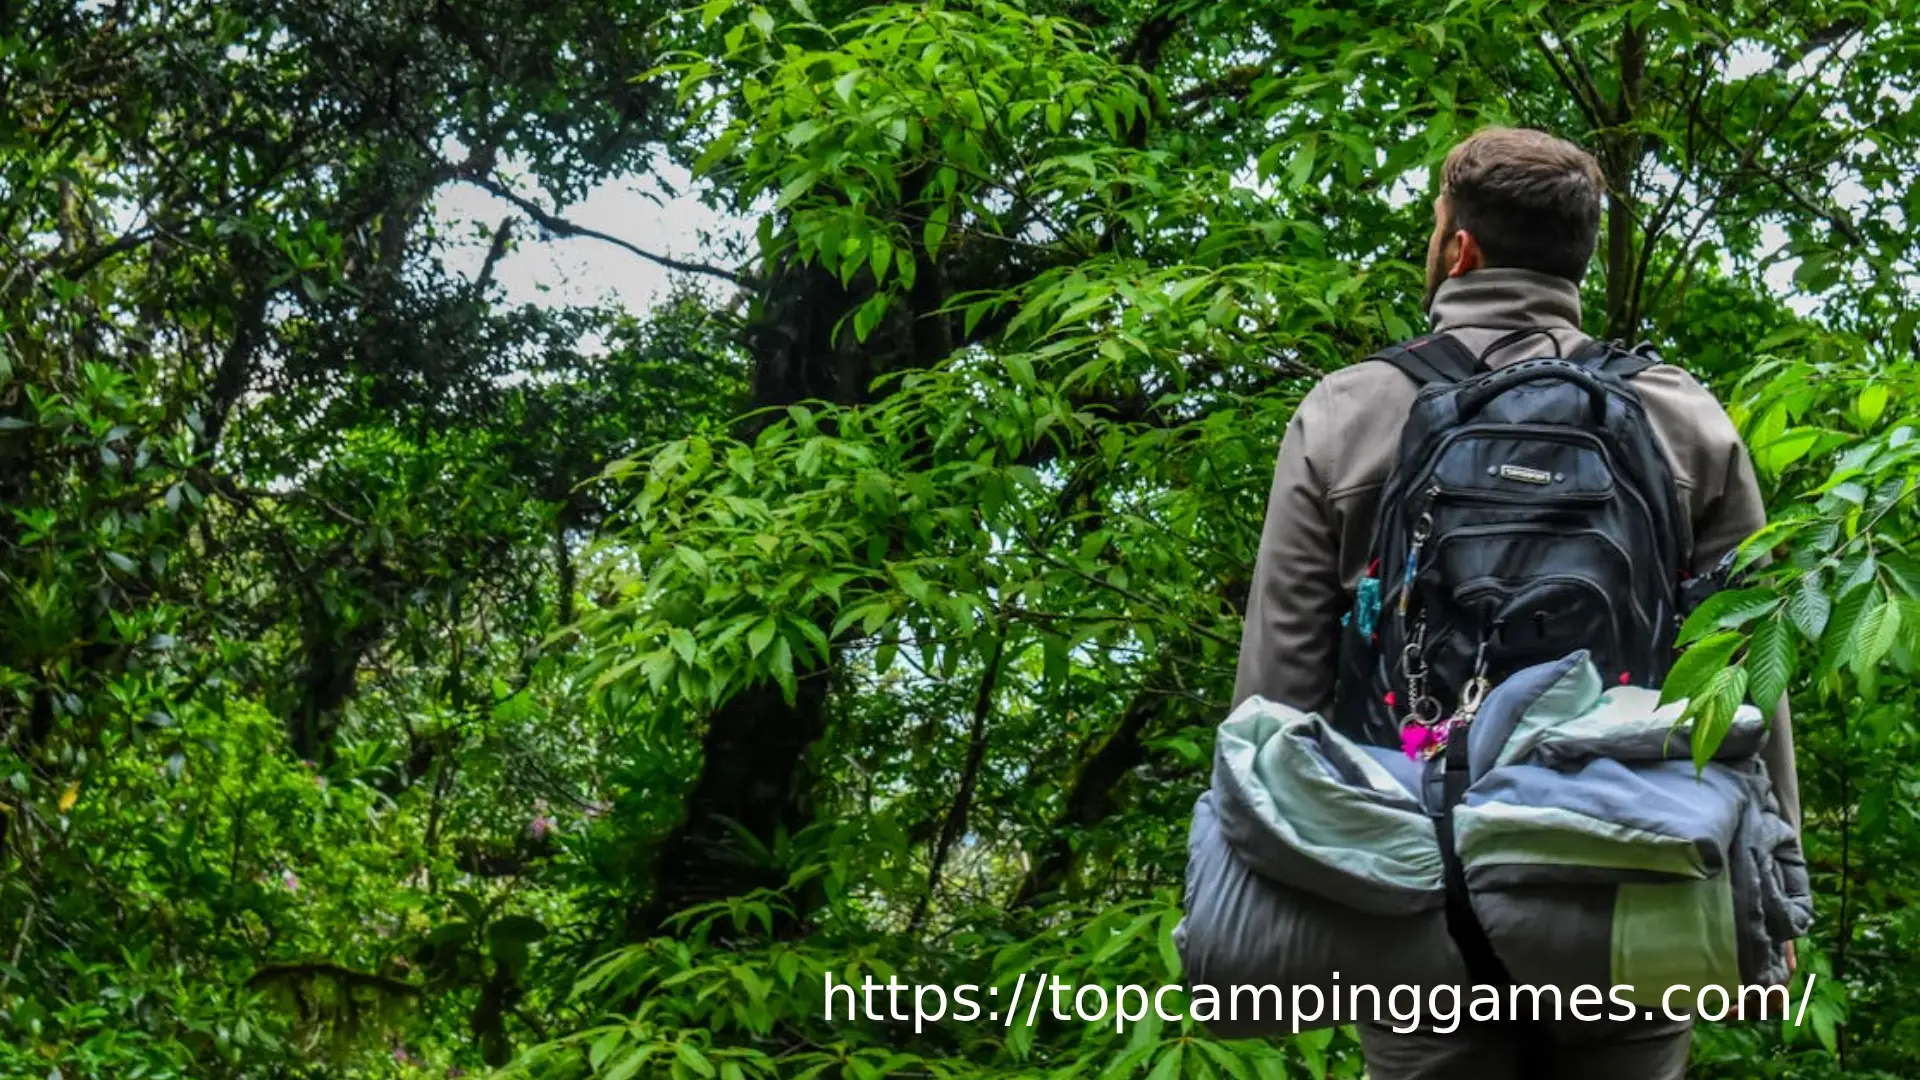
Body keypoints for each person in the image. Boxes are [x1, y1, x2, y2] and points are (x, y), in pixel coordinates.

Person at [1230, 126, 1803, 1079]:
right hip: (1634, 892)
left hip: (1414, 893)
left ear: (1460, 248)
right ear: (1579, 257)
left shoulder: (1349, 409)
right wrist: (1777, 896)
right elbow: (1747, 680)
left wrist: (1264, 908)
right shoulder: (1684, 417)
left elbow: (1279, 689)